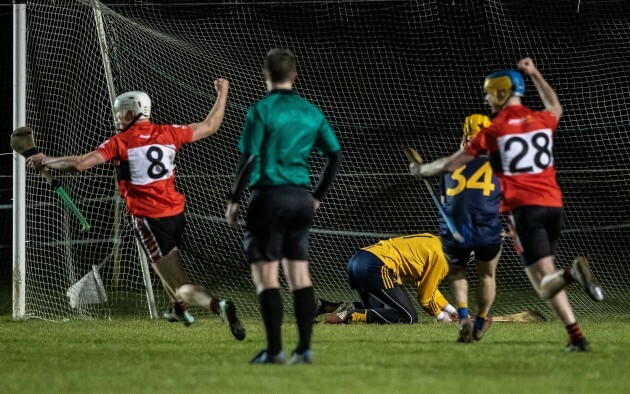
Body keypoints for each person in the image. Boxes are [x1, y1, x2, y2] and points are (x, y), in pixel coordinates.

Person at [27, 80, 246, 341]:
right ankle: (178, 310)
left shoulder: (120, 142)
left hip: (150, 219)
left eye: (119, 113)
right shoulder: (169, 132)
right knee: (163, 263)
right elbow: (211, 125)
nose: (116, 118)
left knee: (181, 283)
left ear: (131, 114)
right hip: (177, 214)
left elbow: (81, 164)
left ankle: (218, 306)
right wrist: (222, 94)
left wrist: (46, 160)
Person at [410, 57, 604, 352]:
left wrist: (422, 170)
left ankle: (572, 273)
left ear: (501, 93)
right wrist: (536, 74)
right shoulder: (541, 119)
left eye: (489, 93)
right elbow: (556, 107)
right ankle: (576, 337)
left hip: (524, 211)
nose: (487, 99)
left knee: (544, 283)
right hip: (554, 205)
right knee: (546, 275)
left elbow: (453, 163)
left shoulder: (495, 130)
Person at [226, 48, 343, 364]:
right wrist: (316, 196)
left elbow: (249, 158)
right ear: (294, 76)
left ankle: (275, 351)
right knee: (300, 276)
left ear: (265, 75)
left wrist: (235, 200)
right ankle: (304, 349)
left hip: (269, 198)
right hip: (300, 198)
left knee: (267, 277)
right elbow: (334, 156)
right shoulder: (311, 112)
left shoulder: (261, 111)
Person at [440, 114, 502, 343]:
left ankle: (464, 316)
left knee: (457, 272)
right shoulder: (499, 162)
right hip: (486, 228)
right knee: (487, 273)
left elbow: (446, 200)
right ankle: (481, 320)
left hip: (455, 230)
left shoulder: (450, 163)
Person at [321, 233, 457, 325]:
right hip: (375, 265)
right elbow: (425, 298)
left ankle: (325, 306)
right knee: (409, 317)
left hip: (357, 260)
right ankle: (350, 314)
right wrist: (441, 317)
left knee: (373, 310)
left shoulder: (434, 241)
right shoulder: (444, 256)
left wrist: (453, 311)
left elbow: (428, 288)